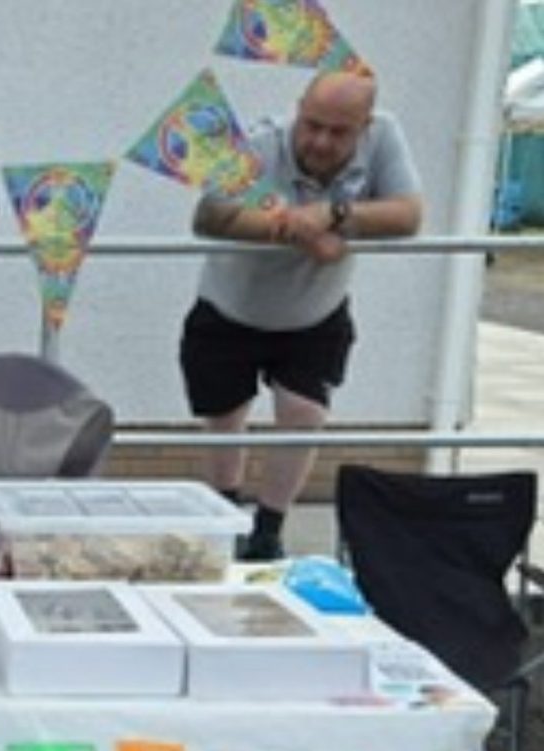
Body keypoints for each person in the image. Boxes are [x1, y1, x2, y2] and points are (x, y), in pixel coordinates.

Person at [180, 71, 423, 560]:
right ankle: (228, 519)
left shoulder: (385, 137)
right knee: (225, 415)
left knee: (304, 413)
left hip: (315, 311)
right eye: (312, 125)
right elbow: (209, 216)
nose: (320, 141)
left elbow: (408, 215)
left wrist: (334, 214)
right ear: (298, 109)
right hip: (233, 303)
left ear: (365, 126)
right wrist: (294, 230)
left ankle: (269, 529)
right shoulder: (259, 143)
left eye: (339, 131)